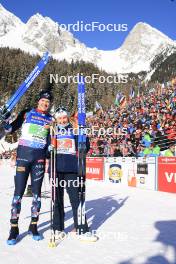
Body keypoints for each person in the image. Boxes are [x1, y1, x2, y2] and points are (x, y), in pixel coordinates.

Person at [5, 90, 53, 245]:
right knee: (18, 193)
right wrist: (3, 123)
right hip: (23, 158)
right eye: (42, 101)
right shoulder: (27, 113)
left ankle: (33, 226)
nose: (45, 104)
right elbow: (11, 128)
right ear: (38, 101)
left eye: (48, 102)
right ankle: (14, 228)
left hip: (38, 160)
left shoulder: (51, 119)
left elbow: (51, 139)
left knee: (37, 194)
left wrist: (50, 148)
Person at [49, 107, 98, 242]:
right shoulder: (52, 131)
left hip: (72, 169)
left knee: (76, 200)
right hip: (55, 169)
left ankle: (82, 229)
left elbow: (85, 147)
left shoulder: (74, 129)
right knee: (57, 200)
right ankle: (57, 229)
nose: (62, 120)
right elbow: (46, 151)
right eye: (60, 118)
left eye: (64, 117)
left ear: (67, 118)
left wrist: (79, 132)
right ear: (56, 119)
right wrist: (49, 148)